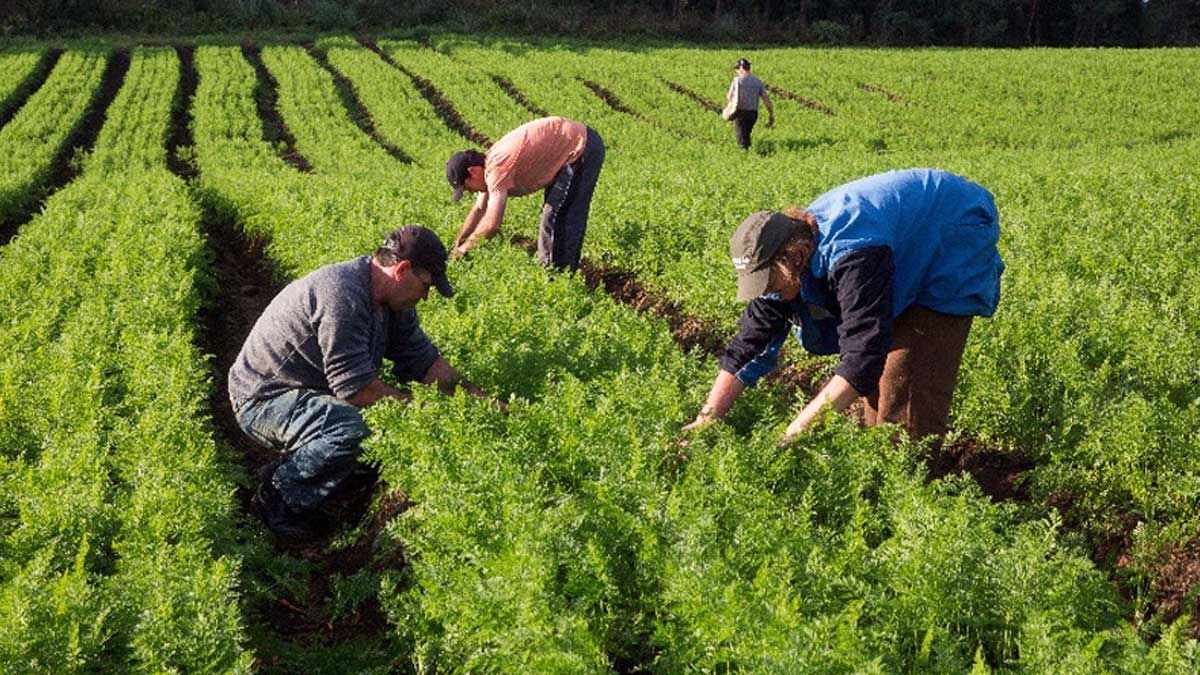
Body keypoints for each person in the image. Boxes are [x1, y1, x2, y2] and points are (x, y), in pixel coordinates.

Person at [684, 168, 1005, 444]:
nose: (766, 293)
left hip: (951, 233)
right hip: (901, 241)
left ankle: (908, 490)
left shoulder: (852, 256)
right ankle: (880, 470)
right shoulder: (787, 264)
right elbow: (748, 346)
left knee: (906, 387)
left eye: (768, 283)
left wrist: (793, 435)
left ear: (793, 258)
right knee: (877, 393)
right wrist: (706, 419)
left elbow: (862, 357)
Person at [229, 225, 488, 540]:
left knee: (366, 440)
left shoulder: (393, 304)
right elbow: (356, 389)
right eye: (426, 286)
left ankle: (298, 473)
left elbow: (426, 363)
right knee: (349, 429)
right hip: (263, 399)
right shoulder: (343, 295)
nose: (425, 296)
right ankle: (278, 498)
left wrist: (480, 401)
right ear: (402, 270)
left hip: (307, 391)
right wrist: (422, 408)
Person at [445, 116, 605, 271]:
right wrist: (459, 241)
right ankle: (558, 272)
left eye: (467, 187)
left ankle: (556, 276)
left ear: (472, 171)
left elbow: (492, 224)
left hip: (581, 148)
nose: (471, 192)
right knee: (555, 214)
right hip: (571, 145)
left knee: (557, 216)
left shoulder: (497, 168)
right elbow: (480, 209)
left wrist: (464, 249)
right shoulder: (488, 165)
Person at [726, 57, 775, 150]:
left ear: (741, 68)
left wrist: (730, 107)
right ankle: (750, 152)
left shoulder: (737, 81)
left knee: (741, 138)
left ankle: (744, 157)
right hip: (753, 114)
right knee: (746, 134)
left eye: (737, 69)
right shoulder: (758, 81)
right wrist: (771, 114)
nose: (736, 71)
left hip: (740, 112)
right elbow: (766, 100)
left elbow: (729, 96)